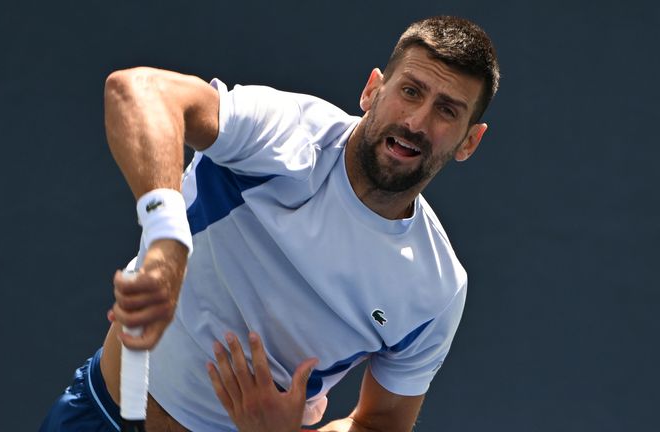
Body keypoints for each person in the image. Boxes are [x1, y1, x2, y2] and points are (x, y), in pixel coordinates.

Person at [41, 15, 500, 432]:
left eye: (447, 111)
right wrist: (167, 239)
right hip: (100, 414)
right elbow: (137, 90)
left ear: (468, 143)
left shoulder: (436, 289)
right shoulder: (287, 134)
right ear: (372, 91)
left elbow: (381, 424)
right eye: (411, 91)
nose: (417, 121)